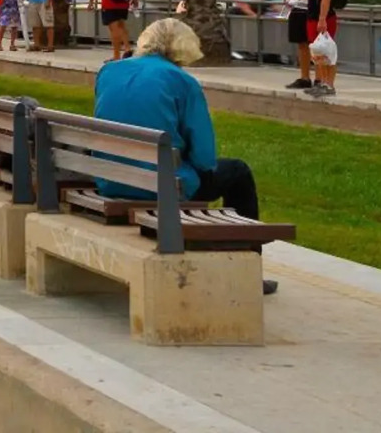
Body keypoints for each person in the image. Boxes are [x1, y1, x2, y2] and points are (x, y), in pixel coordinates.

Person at [93, 19, 276, 295]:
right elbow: (204, 158)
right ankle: (247, 272)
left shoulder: (109, 71)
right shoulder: (182, 81)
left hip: (110, 179)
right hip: (163, 186)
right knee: (238, 172)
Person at [299, 0, 341, 98]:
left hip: (322, 18)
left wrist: (322, 19)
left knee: (327, 51)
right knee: (318, 52)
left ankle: (329, 84)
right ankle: (322, 82)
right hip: (313, 17)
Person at [283, 0, 316, 91]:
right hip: (297, 8)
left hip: (312, 9)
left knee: (315, 44)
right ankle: (304, 77)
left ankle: (320, 78)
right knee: (301, 44)